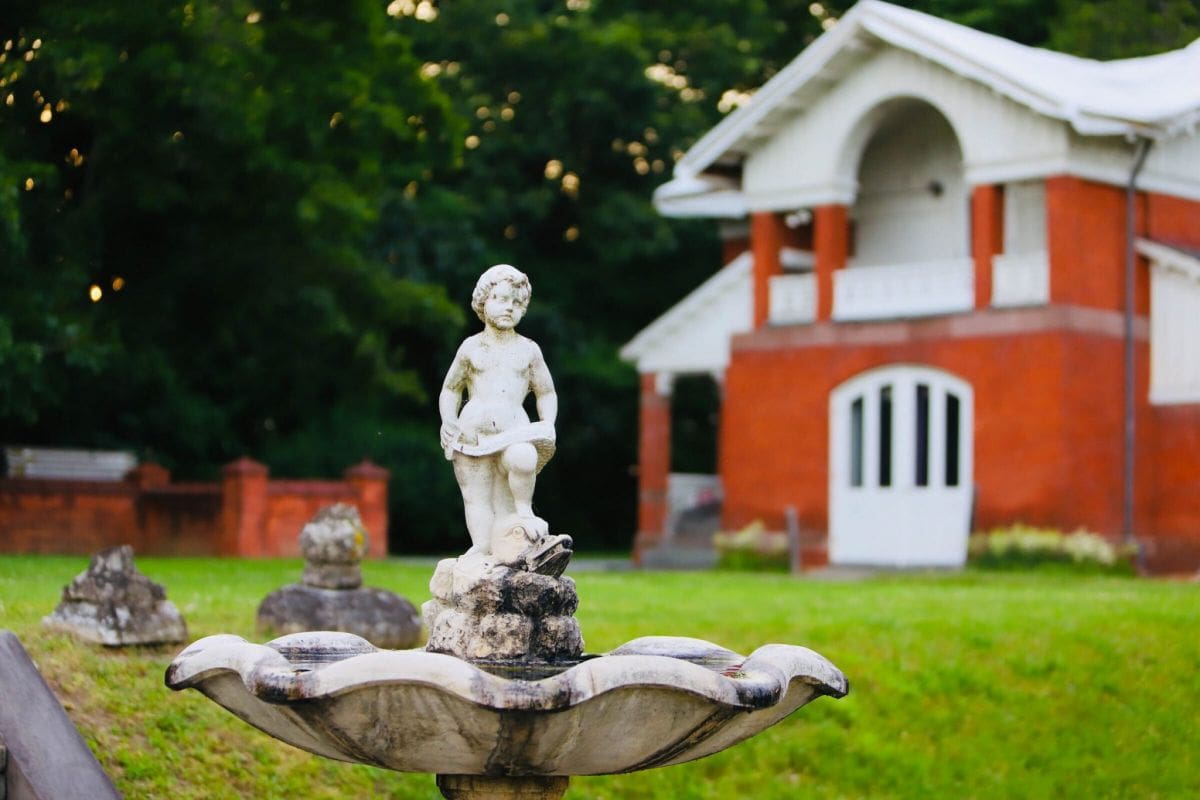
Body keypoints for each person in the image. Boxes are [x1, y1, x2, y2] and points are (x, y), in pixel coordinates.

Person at [439, 264, 557, 556]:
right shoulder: (471, 347)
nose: (509, 307)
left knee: (523, 458)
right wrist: (448, 419)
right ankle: (484, 549)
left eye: (516, 302)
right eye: (501, 299)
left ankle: (524, 513)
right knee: (476, 497)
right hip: (471, 434)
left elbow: (546, 392)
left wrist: (548, 422)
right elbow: (451, 389)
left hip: (514, 431)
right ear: (484, 302)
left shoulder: (528, 349)